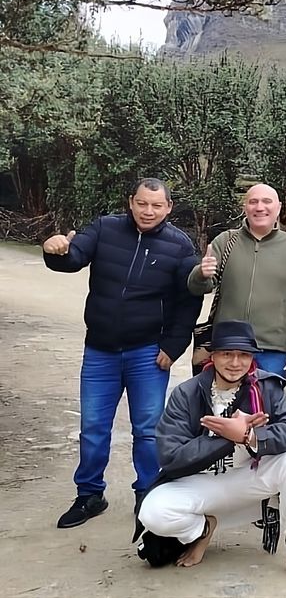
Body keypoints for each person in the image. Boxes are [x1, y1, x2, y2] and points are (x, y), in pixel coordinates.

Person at [42, 178, 203, 529]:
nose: (148, 211)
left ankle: (148, 494)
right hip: (100, 350)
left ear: (168, 208)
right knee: (93, 427)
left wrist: (173, 347)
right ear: (131, 202)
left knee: (147, 430)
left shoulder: (179, 246)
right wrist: (55, 249)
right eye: (142, 203)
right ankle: (89, 495)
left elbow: (189, 301)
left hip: (148, 353)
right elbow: (72, 258)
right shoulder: (104, 228)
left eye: (156, 205)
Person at [134, 320, 286, 584]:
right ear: (212, 356)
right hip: (201, 484)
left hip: (250, 481)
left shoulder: (267, 387)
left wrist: (249, 436)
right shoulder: (187, 393)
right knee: (153, 512)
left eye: (244, 355)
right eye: (227, 354)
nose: (236, 363)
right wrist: (228, 439)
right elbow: (170, 455)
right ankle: (203, 529)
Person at [187, 183, 286, 378]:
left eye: (267, 202)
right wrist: (201, 273)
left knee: (265, 405)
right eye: (253, 202)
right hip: (226, 346)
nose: (259, 207)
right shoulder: (226, 240)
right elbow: (197, 288)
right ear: (245, 207)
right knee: (219, 406)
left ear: (279, 207)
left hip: (271, 350)